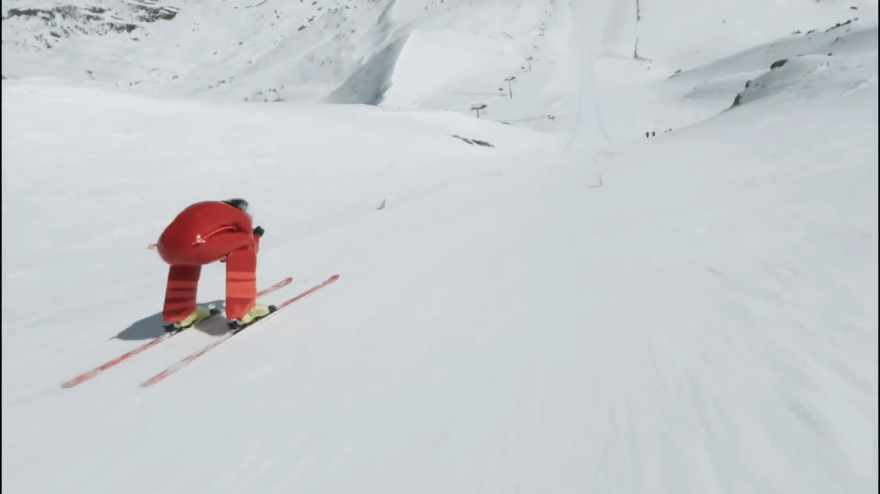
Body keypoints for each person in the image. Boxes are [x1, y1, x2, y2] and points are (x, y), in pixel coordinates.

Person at [155, 198, 274, 332]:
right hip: (197, 245)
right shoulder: (238, 215)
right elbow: (249, 246)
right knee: (245, 242)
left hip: (166, 248)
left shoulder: (210, 209)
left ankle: (180, 311)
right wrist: (256, 235)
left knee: (185, 259)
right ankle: (244, 310)